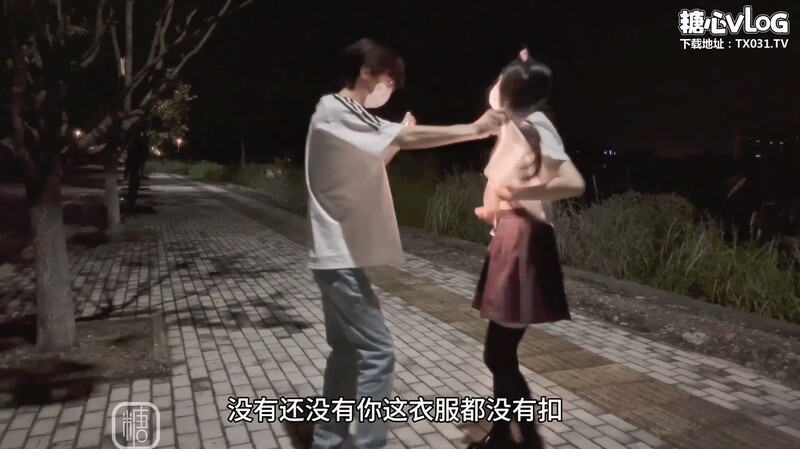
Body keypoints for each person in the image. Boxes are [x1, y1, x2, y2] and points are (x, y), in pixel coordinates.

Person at [304, 38, 505, 449]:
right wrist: (476, 128)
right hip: (338, 255)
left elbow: (371, 164)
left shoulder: (344, 116)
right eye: (390, 81)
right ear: (367, 71)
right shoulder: (335, 108)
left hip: (335, 255)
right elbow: (405, 141)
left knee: (346, 351)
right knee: (378, 353)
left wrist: (398, 137)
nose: (390, 90)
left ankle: (328, 439)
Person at [469, 49, 586, 449]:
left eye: (502, 81)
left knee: (498, 354)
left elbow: (573, 182)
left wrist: (516, 194)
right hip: (511, 237)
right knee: (499, 354)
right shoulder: (516, 122)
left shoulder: (535, 126)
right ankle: (504, 434)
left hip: (524, 242)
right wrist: (494, 209)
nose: (495, 87)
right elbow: (496, 104)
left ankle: (527, 438)